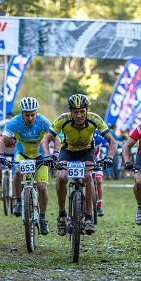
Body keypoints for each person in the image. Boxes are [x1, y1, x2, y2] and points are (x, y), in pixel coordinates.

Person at [41, 94, 117, 236]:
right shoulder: (63, 119)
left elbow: (113, 142)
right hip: (68, 151)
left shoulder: (94, 119)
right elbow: (46, 139)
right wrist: (46, 155)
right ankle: (62, 214)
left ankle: (88, 217)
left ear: (87, 110)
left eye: (82, 111)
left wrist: (109, 157)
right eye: (75, 112)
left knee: (88, 177)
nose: (79, 115)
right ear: (70, 112)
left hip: (86, 152)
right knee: (62, 177)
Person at [0, 97, 58, 235]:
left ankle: (42, 218)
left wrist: (56, 153)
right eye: (27, 115)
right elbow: (2, 141)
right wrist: (0, 155)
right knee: (17, 172)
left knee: (42, 187)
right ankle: (18, 201)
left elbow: (56, 138)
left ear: (36, 113)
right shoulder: (14, 122)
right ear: (22, 113)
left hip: (40, 157)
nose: (30, 118)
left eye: (33, 114)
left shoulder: (43, 121)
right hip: (22, 154)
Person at [93, 130, 109, 216]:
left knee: (99, 180)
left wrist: (108, 157)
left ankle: (99, 205)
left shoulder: (98, 138)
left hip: (96, 161)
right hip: (84, 161)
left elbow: (108, 145)